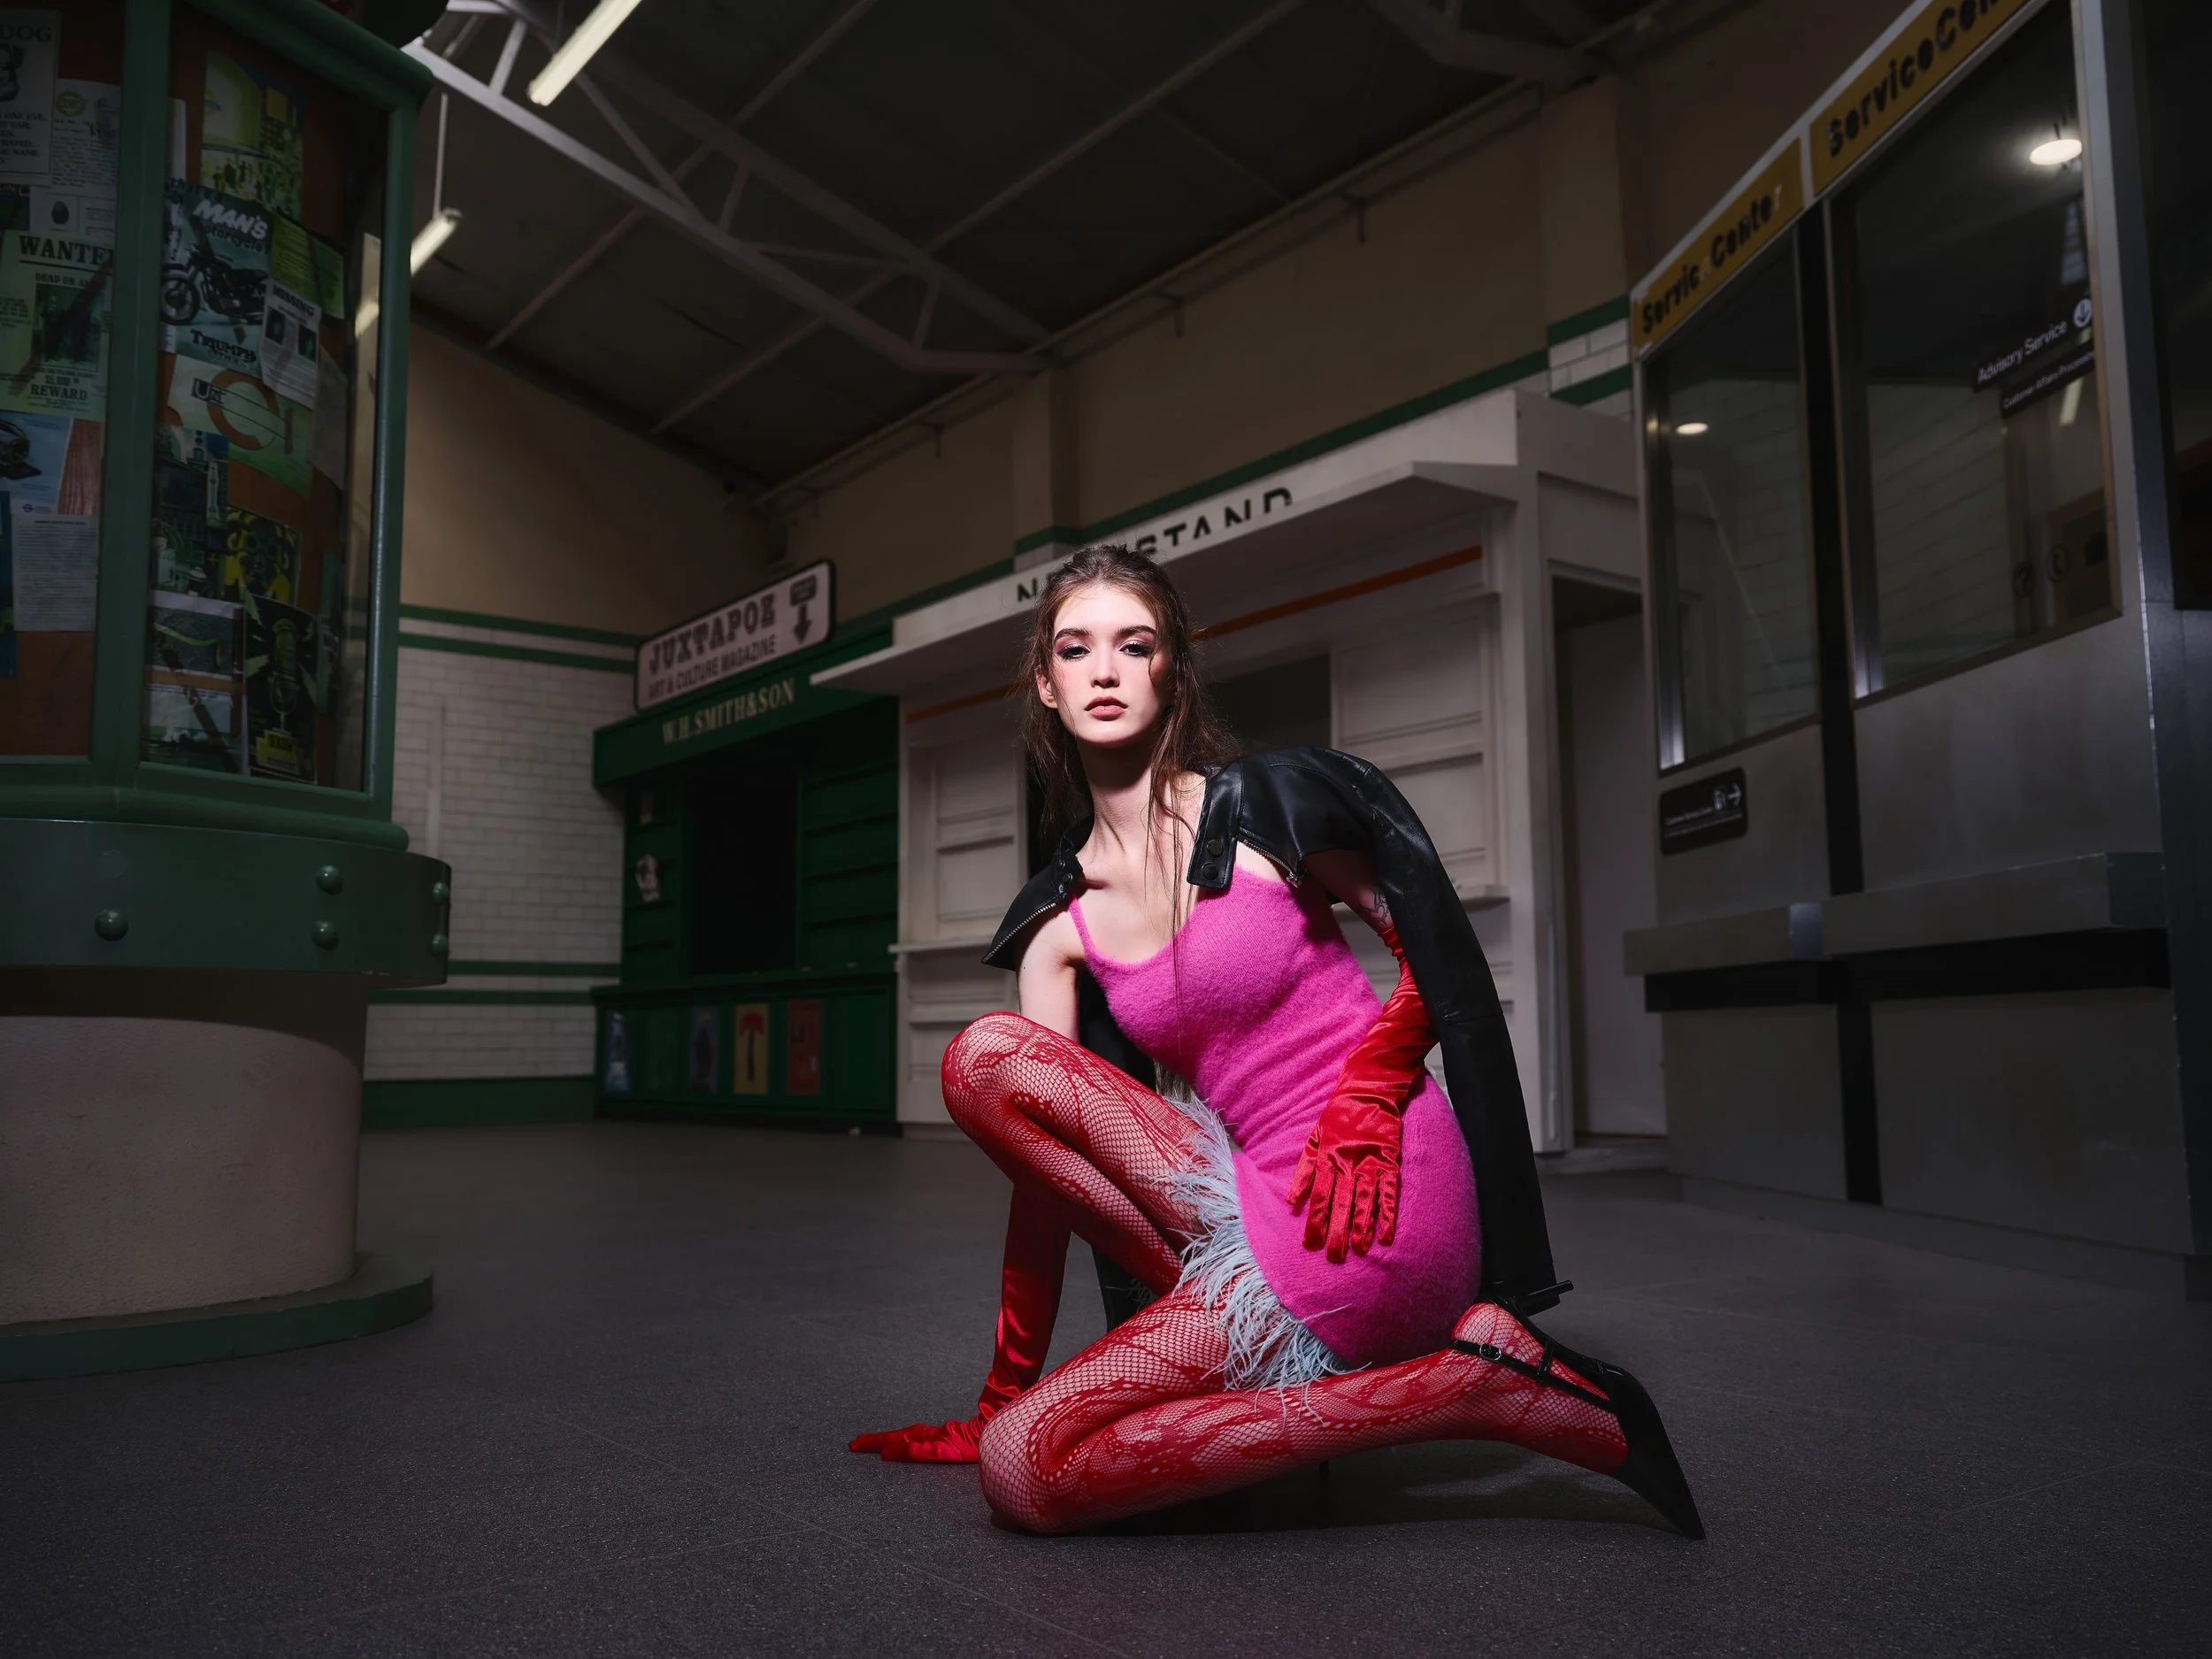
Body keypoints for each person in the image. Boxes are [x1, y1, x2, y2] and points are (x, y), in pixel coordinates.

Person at [850, 544, 1701, 1539]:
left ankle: (1481, 1387)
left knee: (1026, 1474)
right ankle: (1438, 1382)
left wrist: (1373, 1083)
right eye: (1077, 650)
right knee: (986, 1067)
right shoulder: (1056, 920)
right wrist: (1001, 1393)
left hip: (1374, 1185)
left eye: (1136, 645)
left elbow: (1434, 947)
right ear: (1046, 683)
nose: (1107, 670)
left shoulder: (1260, 807)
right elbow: (1046, 1177)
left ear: (1173, 670)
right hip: (1235, 1198)